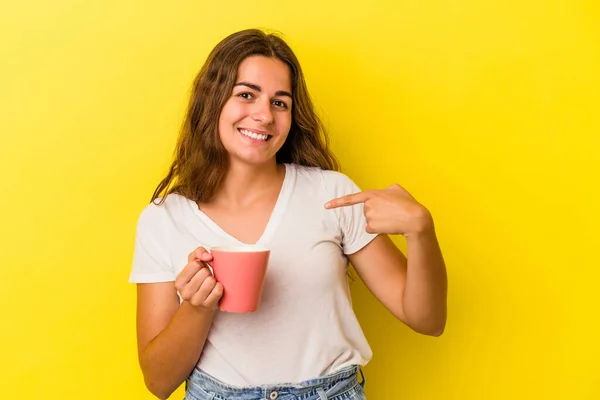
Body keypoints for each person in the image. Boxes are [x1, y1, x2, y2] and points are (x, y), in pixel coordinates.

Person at [129, 28, 448, 400]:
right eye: (246, 95)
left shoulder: (332, 195)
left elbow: (428, 320)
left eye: (280, 102)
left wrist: (421, 231)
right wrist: (197, 308)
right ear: (212, 102)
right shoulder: (164, 219)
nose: (264, 115)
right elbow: (158, 382)